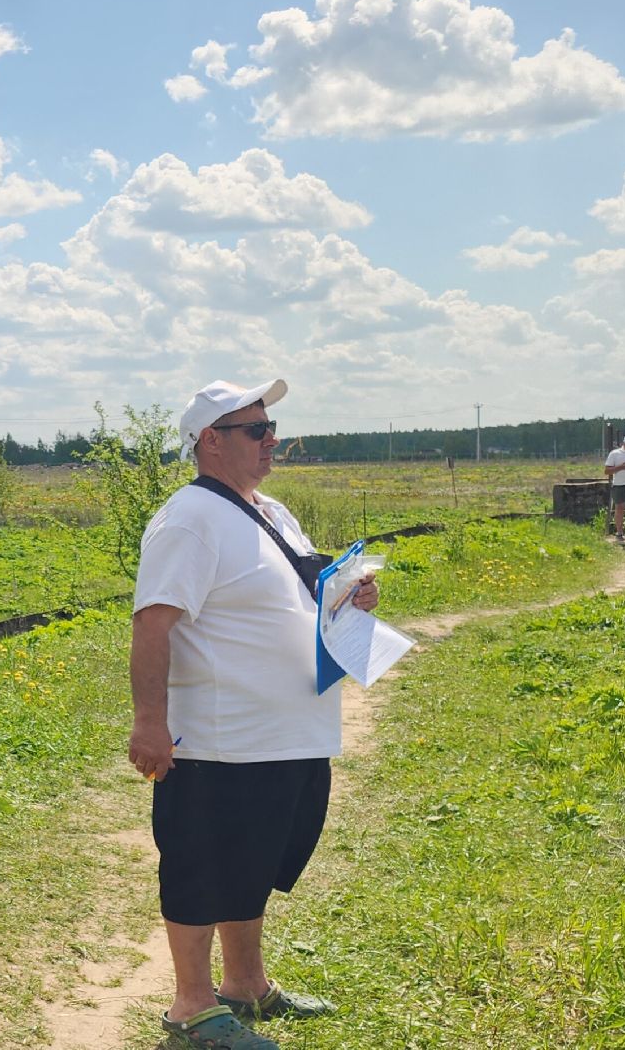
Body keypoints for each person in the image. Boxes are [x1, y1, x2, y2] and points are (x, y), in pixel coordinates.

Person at [125, 379, 380, 1050]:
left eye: (272, 427)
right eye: (256, 430)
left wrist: (350, 599)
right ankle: (190, 1007)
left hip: (286, 734)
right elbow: (152, 624)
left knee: (254, 860)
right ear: (211, 441)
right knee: (201, 864)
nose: (272, 440)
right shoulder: (188, 519)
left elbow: (297, 596)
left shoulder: (271, 511)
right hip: (221, 740)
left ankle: (244, 984)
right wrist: (149, 722)